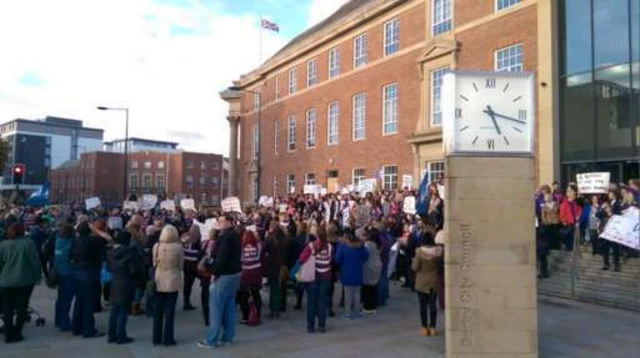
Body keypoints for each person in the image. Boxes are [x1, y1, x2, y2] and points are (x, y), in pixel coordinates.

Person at [199, 214, 241, 349]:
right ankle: (228, 337)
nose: (219, 223)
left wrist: (214, 273)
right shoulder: (234, 235)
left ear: (229, 222)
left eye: (221, 221)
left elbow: (221, 258)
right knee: (229, 307)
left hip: (224, 275)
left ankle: (211, 339)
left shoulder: (225, 237)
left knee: (216, 309)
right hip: (235, 274)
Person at [0, 223, 41, 343]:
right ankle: (17, 332)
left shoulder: (2, 245)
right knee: (22, 307)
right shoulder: (28, 243)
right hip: (24, 280)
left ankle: (8, 332)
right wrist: (37, 276)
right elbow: (34, 261)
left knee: (7, 308)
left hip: (6, 281)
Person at [71, 221, 107, 338]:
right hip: (90, 272)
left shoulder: (75, 240)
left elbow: (70, 255)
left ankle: (76, 327)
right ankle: (88, 329)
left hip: (77, 271)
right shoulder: (92, 241)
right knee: (88, 302)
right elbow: (107, 238)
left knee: (79, 300)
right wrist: (96, 230)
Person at [107, 231, 144, 345]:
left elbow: (109, 268)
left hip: (115, 281)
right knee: (123, 310)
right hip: (126, 282)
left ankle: (111, 334)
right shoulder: (129, 253)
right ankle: (121, 335)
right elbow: (135, 270)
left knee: (114, 310)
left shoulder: (111, 253)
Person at [152, 225, 184, 346]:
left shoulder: (156, 246)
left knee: (158, 310)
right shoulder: (178, 247)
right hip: (173, 278)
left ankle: (156, 337)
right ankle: (168, 338)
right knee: (170, 311)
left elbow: (153, 262)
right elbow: (181, 265)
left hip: (159, 277)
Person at [298, 229, 333, 333]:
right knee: (322, 302)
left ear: (317, 236)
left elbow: (301, 259)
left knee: (311, 302)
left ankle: (310, 326)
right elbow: (331, 260)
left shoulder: (311, 246)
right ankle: (321, 325)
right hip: (325, 277)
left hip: (312, 276)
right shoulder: (330, 247)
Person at [412, 229, 443, 337]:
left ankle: (424, 327)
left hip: (422, 282)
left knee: (423, 306)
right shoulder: (439, 252)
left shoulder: (419, 252)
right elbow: (440, 266)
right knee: (433, 305)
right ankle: (433, 327)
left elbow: (415, 267)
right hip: (434, 280)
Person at [335, 228, 369, 320]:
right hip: (358, 271)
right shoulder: (360, 246)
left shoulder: (342, 246)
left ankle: (348, 313)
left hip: (346, 272)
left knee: (348, 294)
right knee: (357, 293)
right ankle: (357, 312)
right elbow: (366, 257)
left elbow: (337, 259)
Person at [237, 230, 263, 325]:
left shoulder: (242, 248)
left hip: (245, 272)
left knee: (243, 295)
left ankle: (246, 317)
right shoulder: (258, 246)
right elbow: (261, 256)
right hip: (256, 272)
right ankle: (257, 315)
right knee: (256, 294)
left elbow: (240, 260)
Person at [54, 224, 75, 332]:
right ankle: (64, 322)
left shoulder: (58, 240)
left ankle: (58, 319)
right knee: (67, 298)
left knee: (60, 298)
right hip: (69, 272)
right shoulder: (71, 243)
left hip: (59, 271)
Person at [263, 221, 282, 319]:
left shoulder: (269, 238)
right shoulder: (281, 237)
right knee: (276, 287)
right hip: (279, 263)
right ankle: (277, 309)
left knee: (273, 287)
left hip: (271, 264)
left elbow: (263, 250)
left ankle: (273, 309)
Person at [362, 228, 382, 314]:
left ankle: (367, 307)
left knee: (367, 288)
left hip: (368, 266)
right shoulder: (378, 244)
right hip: (377, 265)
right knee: (374, 287)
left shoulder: (368, 244)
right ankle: (374, 306)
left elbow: (364, 255)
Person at [182, 225, 201, 311]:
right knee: (191, 283)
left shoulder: (186, 237)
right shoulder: (198, 240)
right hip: (194, 263)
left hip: (186, 262)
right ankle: (187, 302)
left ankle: (186, 301)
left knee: (187, 283)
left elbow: (182, 245)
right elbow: (200, 252)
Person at [559, 184, 582, 252]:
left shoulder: (578, 201)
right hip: (568, 224)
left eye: (570, 191)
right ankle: (569, 253)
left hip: (576, 224)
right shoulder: (564, 202)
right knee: (568, 242)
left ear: (575, 192)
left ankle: (574, 254)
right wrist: (563, 221)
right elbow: (562, 213)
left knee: (576, 241)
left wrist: (578, 217)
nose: (568, 192)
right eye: (568, 191)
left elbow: (580, 210)